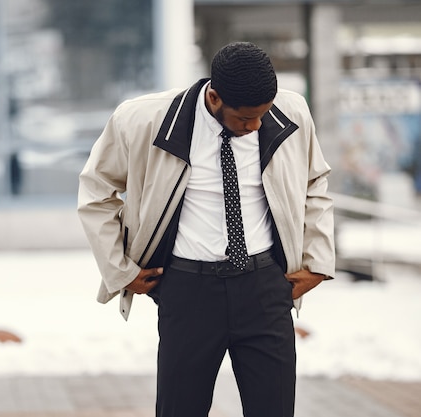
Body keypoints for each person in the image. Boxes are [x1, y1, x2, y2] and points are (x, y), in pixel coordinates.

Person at [77, 42, 335, 417]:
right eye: (246, 119)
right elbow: (97, 192)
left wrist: (318, 261)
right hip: (187, 290)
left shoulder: (290, 111)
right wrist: (120, 270)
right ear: (214, 98)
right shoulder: (141, 120)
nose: (257, 126)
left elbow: (315, 183)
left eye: (263, 114)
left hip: (265, 286)